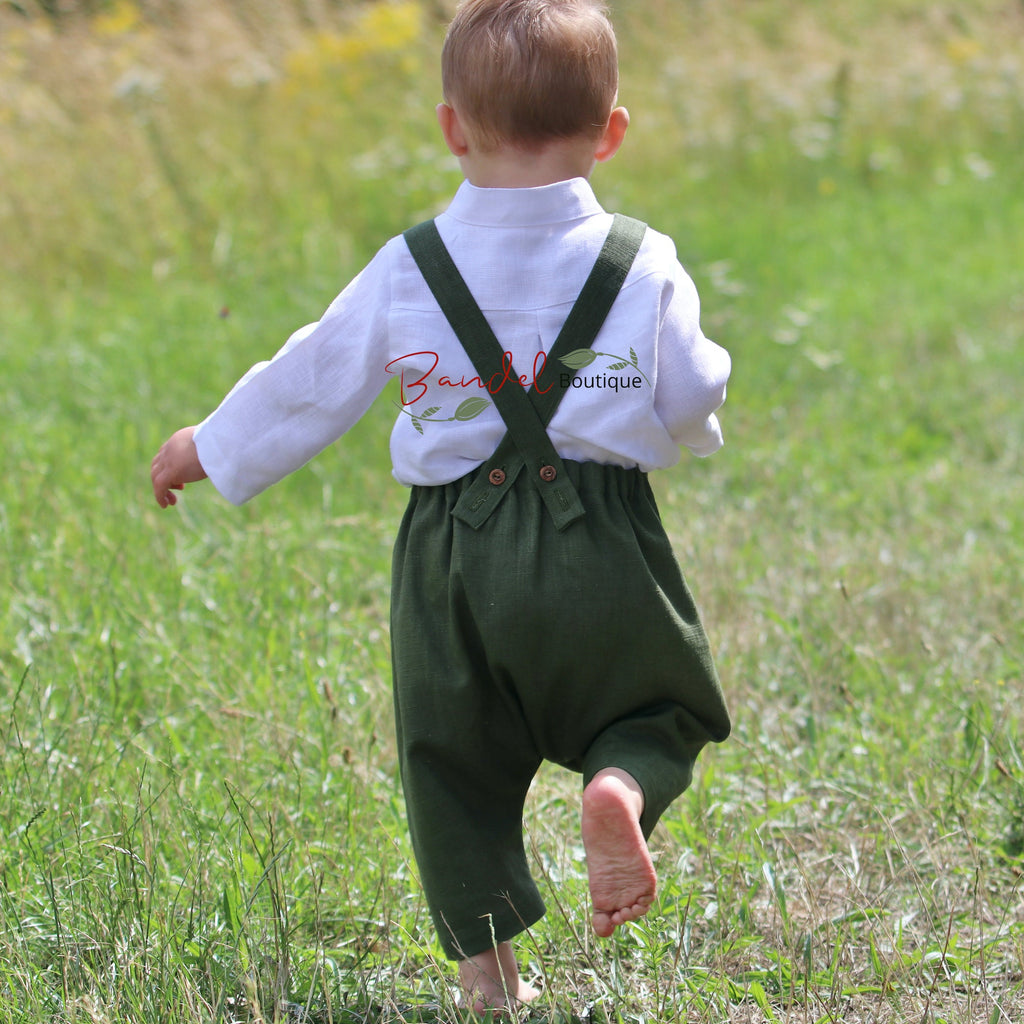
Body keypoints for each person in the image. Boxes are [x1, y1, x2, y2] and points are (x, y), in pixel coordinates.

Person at [151, 0, 731, 1012]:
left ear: (452, 127)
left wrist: (215, 444)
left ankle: (485, 971)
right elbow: (689, 392)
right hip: (600, 540)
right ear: (612, 133)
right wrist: (684, 426)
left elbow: (314, 377)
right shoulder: (642, 260)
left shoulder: (411, 266)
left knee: (449, 756)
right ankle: (619, 787)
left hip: (450, 554)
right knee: (657, 707)